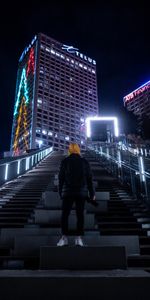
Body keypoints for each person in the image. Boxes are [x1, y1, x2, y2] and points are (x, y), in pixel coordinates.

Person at [57, 143, 95, 246]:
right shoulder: (84, 162)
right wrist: (92, 193)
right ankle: (78, 238)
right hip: (81, 192)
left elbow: (61, 178)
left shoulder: (65, 161)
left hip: (68, 191)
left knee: (65, 215)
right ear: (78, 150)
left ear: (69, 150)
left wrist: (60, 191)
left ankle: (64, 238)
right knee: (80, 215)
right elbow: (89, 179)